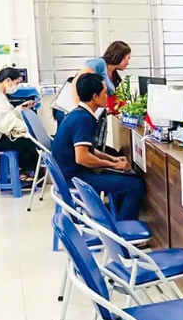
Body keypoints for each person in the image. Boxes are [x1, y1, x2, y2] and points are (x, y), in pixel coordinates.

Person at [51, 73, 145, 220]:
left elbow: (88, 149)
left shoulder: (77, 113)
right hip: (76, 177)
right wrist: (113, 165)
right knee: (135, 185)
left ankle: (118, 218)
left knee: (124, 177)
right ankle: (124, 230)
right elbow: (82, 158)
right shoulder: (84, 119)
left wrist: (112, 159)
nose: (107, 96)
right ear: (95, 96)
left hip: (69, 172)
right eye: (105, 93)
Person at [53, 41, 132, 151]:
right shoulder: (99, 63)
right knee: (69, 148)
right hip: (68, 109)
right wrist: (79, 110)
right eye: (128, 58)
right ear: (119, 55)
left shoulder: (113, 74)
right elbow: (76, 82)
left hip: (84, 112)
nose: (128, 63)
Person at [0, 67, 39, 182]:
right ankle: (25, 173)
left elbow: (8, 116)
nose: (17, 86)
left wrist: (20, 109)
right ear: (8, 80)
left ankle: (26, 172)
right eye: (17, 83)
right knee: (29, 142)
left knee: (30, 138)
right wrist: (27, 128)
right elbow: (3, 121)